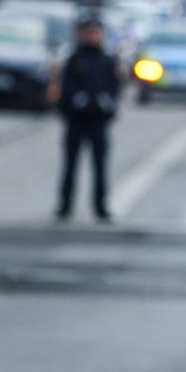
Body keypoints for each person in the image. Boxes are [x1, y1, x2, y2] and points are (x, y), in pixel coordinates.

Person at [56, 16, 120, 223]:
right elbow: (66, 86)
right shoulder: (74, 59)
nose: (92, 36)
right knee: (70, 166)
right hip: (77, 120)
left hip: (98, 122)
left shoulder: (107, 60)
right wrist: (76, 100)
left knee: (100, 167)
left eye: (96, 33)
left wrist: (106, 102)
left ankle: (101, 207)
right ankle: (65, 206)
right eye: (89, 33)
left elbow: (114, 86)